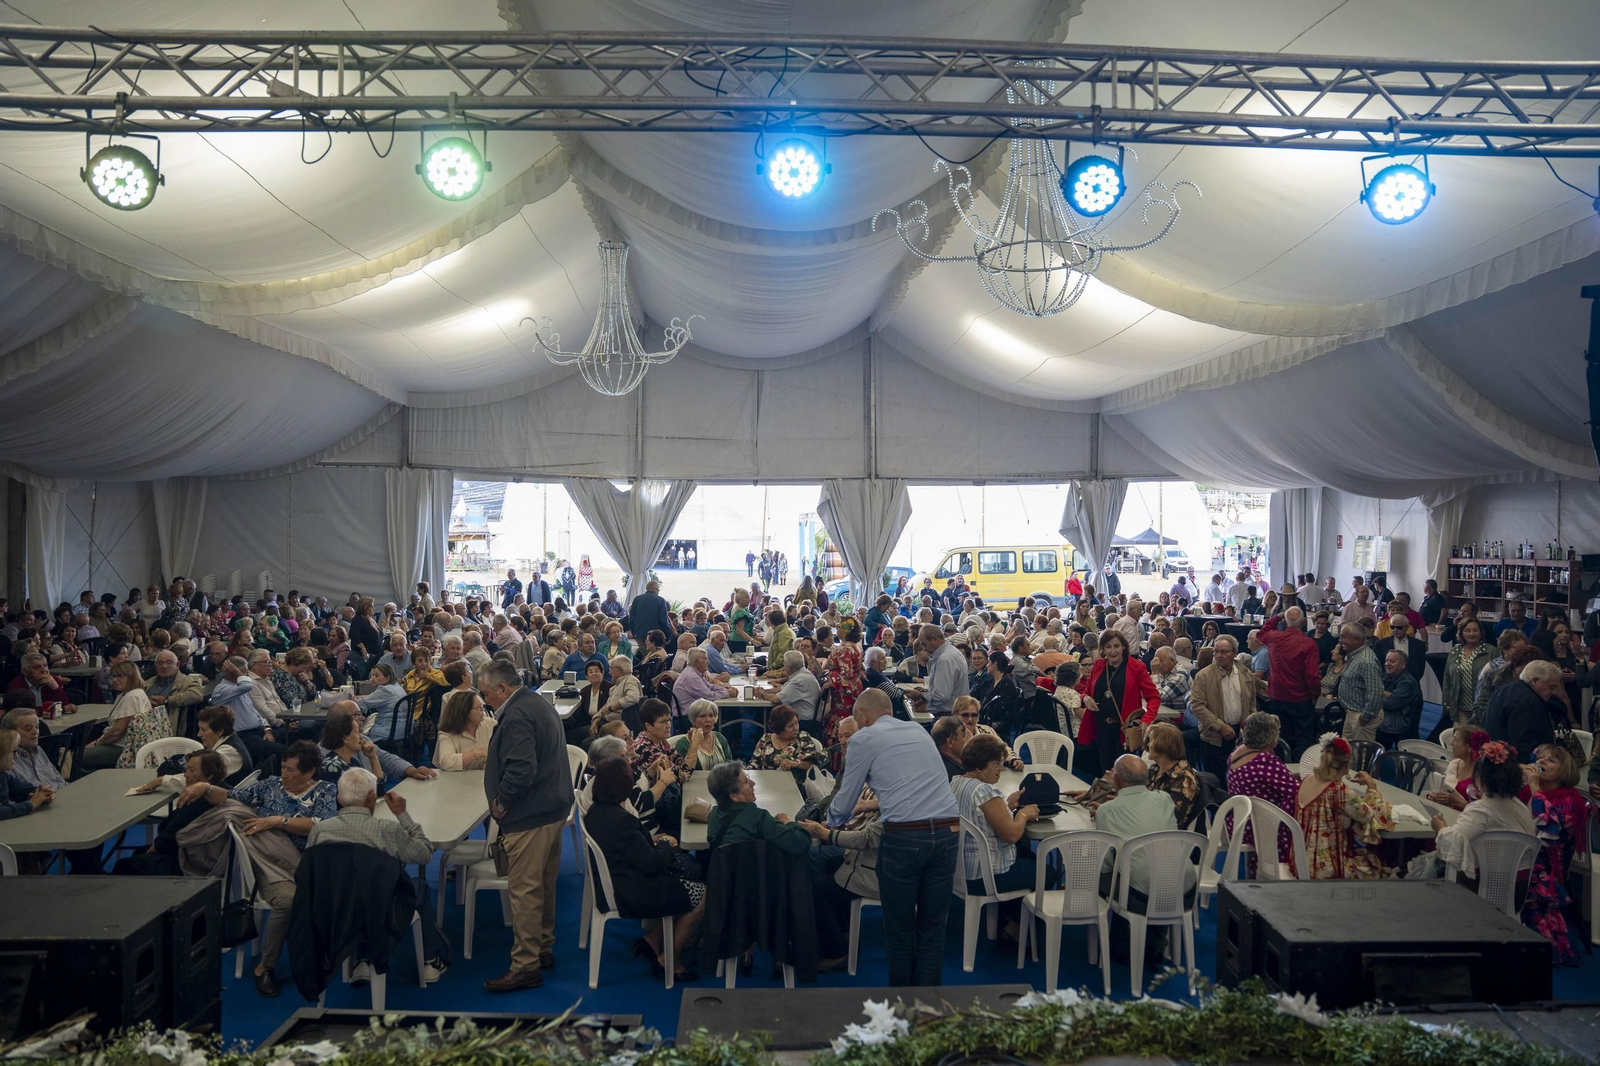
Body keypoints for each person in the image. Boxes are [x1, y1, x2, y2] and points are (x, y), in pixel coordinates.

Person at [175, 740, 337, 997]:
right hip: (270, 863)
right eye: (284, 767)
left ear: (310, 772)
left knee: (346, 884)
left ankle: (332, 954)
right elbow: (230, 797)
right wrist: (206, 786)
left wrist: (279, 821)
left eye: (292, 770)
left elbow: (323, 825)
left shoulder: (326, 791)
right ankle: (265, 967)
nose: (284, 773)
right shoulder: (270, 786)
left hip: (314, 864)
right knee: (288, 901)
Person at [479, 659, 574, 992]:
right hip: (552, 809)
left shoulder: (516, 715)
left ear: (503, 689)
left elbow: (521, 770)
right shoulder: (537, 703)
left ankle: (525, 965)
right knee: (544, 885)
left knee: (525, 891)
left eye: (487, 693)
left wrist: (501, 803)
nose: (484, 700)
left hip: (530, 815)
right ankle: (542, 948)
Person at [306, 766, 451, 982]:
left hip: (336, 907)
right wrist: (403, 815)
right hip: (382, 909)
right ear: (372, 797)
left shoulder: (319, 831)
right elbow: (424, 854)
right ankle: (430, 961)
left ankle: (362, 958)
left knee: (359, 888)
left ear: (339, 798)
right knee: (418, 886)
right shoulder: (387, 830)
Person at [584, 755, 703, 981]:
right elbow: (651, 864)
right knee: (703, 894)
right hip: (632, 892)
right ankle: (669, 960)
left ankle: (652, 939)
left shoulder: (596, 813)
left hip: (618, 881)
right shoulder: (622, 821)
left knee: (683, 872)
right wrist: (666, 845)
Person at [1093, 754, 1193, 960]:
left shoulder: (1107, 812)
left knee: (1105, 874)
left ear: (1116, 780)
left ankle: (1122, 945)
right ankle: (1153, 941)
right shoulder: (1164, 798)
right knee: (1144, 870)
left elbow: (1107, 865)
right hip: (1186, 887)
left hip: (1142, 897)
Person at [951, 733, 1041, 940]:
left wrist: (1007, 806)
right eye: (997, 764)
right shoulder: (985, 792)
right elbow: (1012, 835)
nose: (1001, 768)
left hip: (961, 870)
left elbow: (981, 817)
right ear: (981, 764)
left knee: (1028, 859)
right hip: (987, 875)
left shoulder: (956, 783)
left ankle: (1005, 917)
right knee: (1047, 871)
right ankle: (1014, 930)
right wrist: (1024, 814)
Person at [1431, 739, 1535, 882]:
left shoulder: (1481, 809)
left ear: (1479, 779)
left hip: (1483, 884)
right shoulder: (1520, 807)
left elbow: (1455, 843)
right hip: (1519, 886)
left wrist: (1440, 827)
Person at [1520, 744, 1587, 962]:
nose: (1542, 763)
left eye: (1551, 761)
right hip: (1526, 853)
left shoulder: (1569, 801)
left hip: (1547, 865)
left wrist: (1533, 787)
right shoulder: (1533, 792)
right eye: (1542, 759)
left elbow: (1548, 832)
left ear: (1564, 770)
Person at [114, 750, 230, 876]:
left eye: (191, 770)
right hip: (206, 854)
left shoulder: (194, 803)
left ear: (209, 775)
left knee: (124, 865)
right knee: (139, 852)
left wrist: (151, 850)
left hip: (186, 860)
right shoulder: (226, 792)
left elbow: (167, 841)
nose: (185, 775)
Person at [1294, 737, 1393, 880]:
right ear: (1347, 766)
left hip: (1301, 861)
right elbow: (1370, 816)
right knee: (1377, 865)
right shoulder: (1339, 790)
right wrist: (1372, 787)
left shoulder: (1308, 779)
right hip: (1325, 868)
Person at [1073, 630, 1160, 780]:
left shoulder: (1136, 667)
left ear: (1124, 647)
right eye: (1108, 647)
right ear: (1103, 649)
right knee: (1105, 772)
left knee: (1124, 775)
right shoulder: (1099, 665)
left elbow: (1153, 697)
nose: (1112, 651)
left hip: (1124, 731)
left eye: (1116, 646)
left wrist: (1146, 719)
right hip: (1100, 727)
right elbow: (1087, 690)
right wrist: (1085, 698)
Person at [1225, 712, 1300, 877]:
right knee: (1301, 810)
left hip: (1238, 820)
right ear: (1270, 738)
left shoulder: (1237, 753)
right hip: (1261, 824)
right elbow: (1295, 792)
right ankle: (1291, 869)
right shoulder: (1265, 761)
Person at [705, 760, 812, 854]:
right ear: (734, 796)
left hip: (723, 875)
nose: (753, 783)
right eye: (746, 782)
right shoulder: (759, 818)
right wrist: (788, 822)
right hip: (758, 875)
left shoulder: (714, 814)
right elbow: (802, 844)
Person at [1256, 609, 1322, 760]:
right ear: (1304, 622)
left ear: (1284, 622)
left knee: (1279, 738)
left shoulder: (1274, 638)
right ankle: (1298, 775)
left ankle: (1280, 771)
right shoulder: (1309, 644)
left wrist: (1277, 617)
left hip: (1277, 698)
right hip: (1301, 699)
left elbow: (1261, 633)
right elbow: (1312, 676)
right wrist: (1314, 695)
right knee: (1303, 740)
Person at [82, 661, 167, 770]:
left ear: (131, 677)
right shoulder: (128, 694)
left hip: (124, 748)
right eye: (113, 676)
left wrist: (98, 742)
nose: (115, 680)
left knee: (78, 757)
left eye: (120, 676)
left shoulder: (132, 697)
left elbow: (117, 732)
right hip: (122, 744)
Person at [1484, 659, 1562, 758]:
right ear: (1534, 681)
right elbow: (1523, 743)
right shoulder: (1528, 701)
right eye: (1551, 687)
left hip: (1495, 758)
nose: (1554, 692)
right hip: (1516, 765)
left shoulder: (1504, 690)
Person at [1323, 623, 1384, 743]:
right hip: (1351, 713)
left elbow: (1375, 692)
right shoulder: (1354, 655)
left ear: (1356, 639)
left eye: (1344, 637)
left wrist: (1364, 718)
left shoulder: (1367, 661)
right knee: (1348, 754)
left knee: (1362, 758)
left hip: (1362, 717)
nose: (1341, 641)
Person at [1434, 619, 1493, 742]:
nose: (1472, 634)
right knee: (1461, 741)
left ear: (1481, 633)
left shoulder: (1491, 651)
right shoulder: (1455, 651)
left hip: (1482, 707)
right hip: (1461, 705)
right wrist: (1446, 702)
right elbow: (1447, 678)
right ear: (1461, 633)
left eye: (1475, 630)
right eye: (1467, 630)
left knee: (1480, 741)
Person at [1144, 721, 1200, 829]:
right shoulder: (1155, 768)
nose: (1147, 745)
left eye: (1150, 741)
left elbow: (1172, 820)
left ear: (1163, 745)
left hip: (1164, 836)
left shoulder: (1183, 779)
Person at [754, 650, 823, 738]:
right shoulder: (802, 674)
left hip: (805, 721)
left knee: (771, 714)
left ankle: (766, 740)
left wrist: (762, 694)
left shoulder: (799, 680)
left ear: (789, 667)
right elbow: (783, 689)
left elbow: (776, 699)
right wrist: (763, 690)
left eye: (784, 665)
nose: (784, 667)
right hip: (809, 716)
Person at [748, 705, 827, 780]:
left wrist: (796, 763)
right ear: (779, 728)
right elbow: (755, 763)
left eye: (796, 723)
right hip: (767, 782)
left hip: (795, 784)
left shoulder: (802, 737)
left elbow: (813, 763)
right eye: (790, 726)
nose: (795, 728)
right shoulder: (766, 739)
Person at [910, 624, 968, 719]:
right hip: (954, 712)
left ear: (934, 639)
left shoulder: (945, 659)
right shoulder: (952, 652)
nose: (924, 648)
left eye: (924, 644)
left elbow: (941, 695)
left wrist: (922, 697)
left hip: (947, 715)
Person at [0, 728, 54, 821]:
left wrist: (40, 792)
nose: (16, 756)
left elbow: (20, 790)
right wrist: (31, 804)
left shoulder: (2, 774)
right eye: (13, 752)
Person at [1375, 649, 1423, 749]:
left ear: (1403, 665)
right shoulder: (1385, 676)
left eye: (1392, 661)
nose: (1388, 664)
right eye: (1386, 661)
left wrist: (1379, 694)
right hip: (1385, 723)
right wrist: (1386, 694)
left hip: (1402, 728)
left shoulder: (1408, 682)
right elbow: (1372, 691)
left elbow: (1391, 704)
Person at [673, 699, 734, 771]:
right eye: (702, 716)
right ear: (693, 719)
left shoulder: (720, 738)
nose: (708, 720)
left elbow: (730, 766)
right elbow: (679, 773)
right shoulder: (683, 744)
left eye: (711, 715)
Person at [629, 580, 675, 648]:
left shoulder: (637, 599)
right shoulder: (660, 600)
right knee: (657, 656)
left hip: (640, 635)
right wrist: (668, 635)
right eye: (658, 589)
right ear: (653, 589)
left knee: (645, 656)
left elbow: (632, 618)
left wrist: (634, 633)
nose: (659, 591)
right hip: (656, 637)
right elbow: (664, 620)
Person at [931, 715, 967, 780]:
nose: (967, 739)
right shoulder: (954, 776)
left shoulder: (933, 761)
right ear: (950, 742)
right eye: (963, 735)